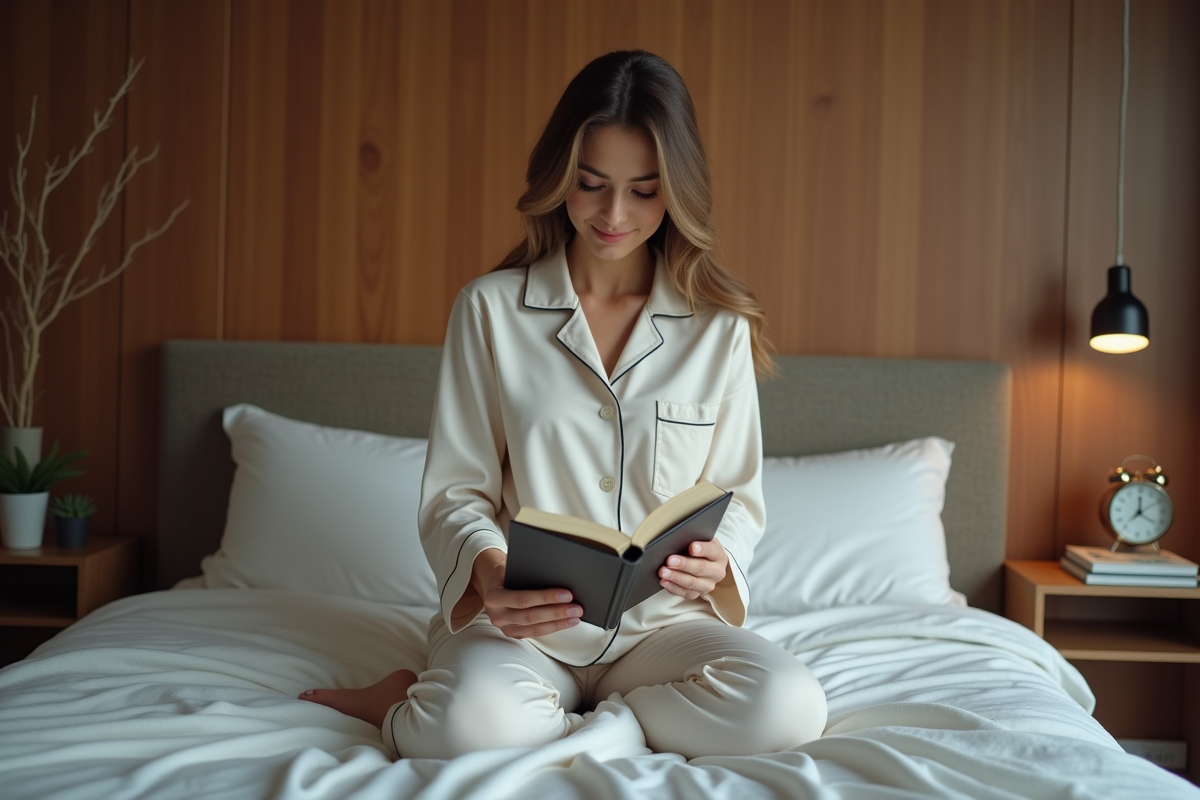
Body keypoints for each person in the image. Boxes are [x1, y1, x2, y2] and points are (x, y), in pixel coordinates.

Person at [301, 49, 827, 759]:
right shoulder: (489, 310)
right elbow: (456, 491)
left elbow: (737, 496)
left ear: (677, 192)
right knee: (464, 728)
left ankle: (603, 715)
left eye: (644, 191)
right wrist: (486, 568)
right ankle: (399, 698)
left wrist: (720, 559)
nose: (614, 215)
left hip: (664, 628)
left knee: (788, 709)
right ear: (559, 179)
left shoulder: (719, 328)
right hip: (520, 622)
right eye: (591, 184)